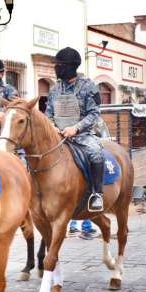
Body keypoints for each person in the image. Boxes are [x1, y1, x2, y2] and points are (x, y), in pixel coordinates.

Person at [45, 47, 105, 212]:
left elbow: (94, 114)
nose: (56, 68)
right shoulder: (55, 89)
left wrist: (76, 128)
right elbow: (48, 113)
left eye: (59, 65)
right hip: (58, 136)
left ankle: (97, 194)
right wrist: (52, 127)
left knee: (96, 153)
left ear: (69, 67)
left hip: (82, 136)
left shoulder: (88, 87)